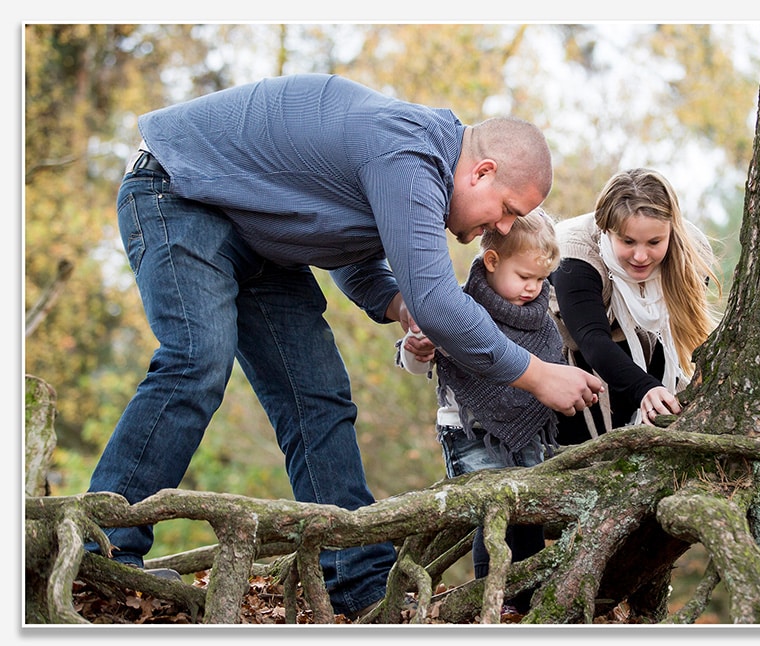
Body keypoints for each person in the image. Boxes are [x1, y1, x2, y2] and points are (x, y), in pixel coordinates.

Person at [84, 73, 603, 618]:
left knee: (318, 397)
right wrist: (539, 374)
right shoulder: (409, 155)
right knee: (198, 359)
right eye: (507, 209)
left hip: (260, 235)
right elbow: (438, 301)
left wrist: (400, 306)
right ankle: (99, 553)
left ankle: (358, 582)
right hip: (180, 190)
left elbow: (353, 256)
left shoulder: (415, 164)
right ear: (482, 171)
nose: (500, 227)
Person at [396, 208, 561, 608]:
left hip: (527, 432)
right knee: (492, 516)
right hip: (468, 431)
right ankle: (493, 601)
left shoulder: (540, 319)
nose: (533, 288)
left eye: (541, 279)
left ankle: (527, 601)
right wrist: (417, 348)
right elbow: (416, 364)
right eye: (525, 277)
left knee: (530, 514)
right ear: (492, 261)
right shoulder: (456, 307)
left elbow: (554, 370)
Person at [549, 168, 720, 444]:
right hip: (575, 359)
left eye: (654, 242)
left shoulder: (691, 252)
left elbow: (683, 330)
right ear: (606, 229)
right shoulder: (574, 256)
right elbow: (592, 339)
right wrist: (644, 389)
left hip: (649, 343)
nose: (641, 256)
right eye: (628, 241)